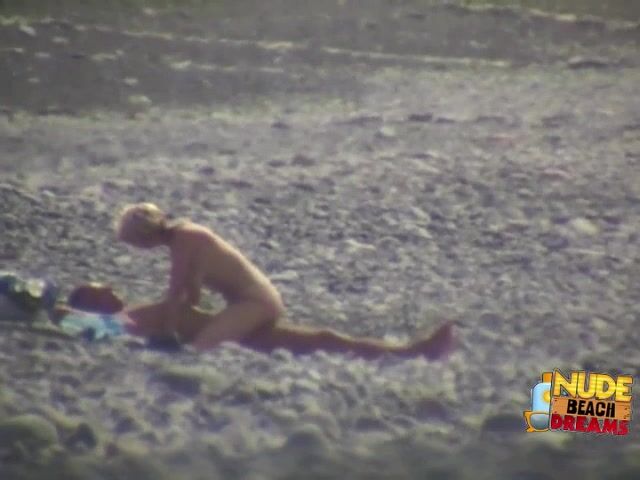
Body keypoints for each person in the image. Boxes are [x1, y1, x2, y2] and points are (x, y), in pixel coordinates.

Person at [112, 202, 454, 358]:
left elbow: (177, 293)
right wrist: (174, 316)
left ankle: (411, 352)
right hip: (248, 303)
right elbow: (191, 294)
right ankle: (407, 352)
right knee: (308, 340)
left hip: (253, 303)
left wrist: (168, 331)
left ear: (143, 237)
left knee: (201, 350)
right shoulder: (186, 236)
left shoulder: (185, 239)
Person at [52, 283, 454, 360]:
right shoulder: (123, 321)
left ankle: (409, 351)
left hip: (235, 327)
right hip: (237, 339)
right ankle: (411, 353)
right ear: (91, 304)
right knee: (323, 340)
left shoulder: (132, 313)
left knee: (324, 337)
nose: (110, 288)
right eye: (100, 290)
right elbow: (79, 322)